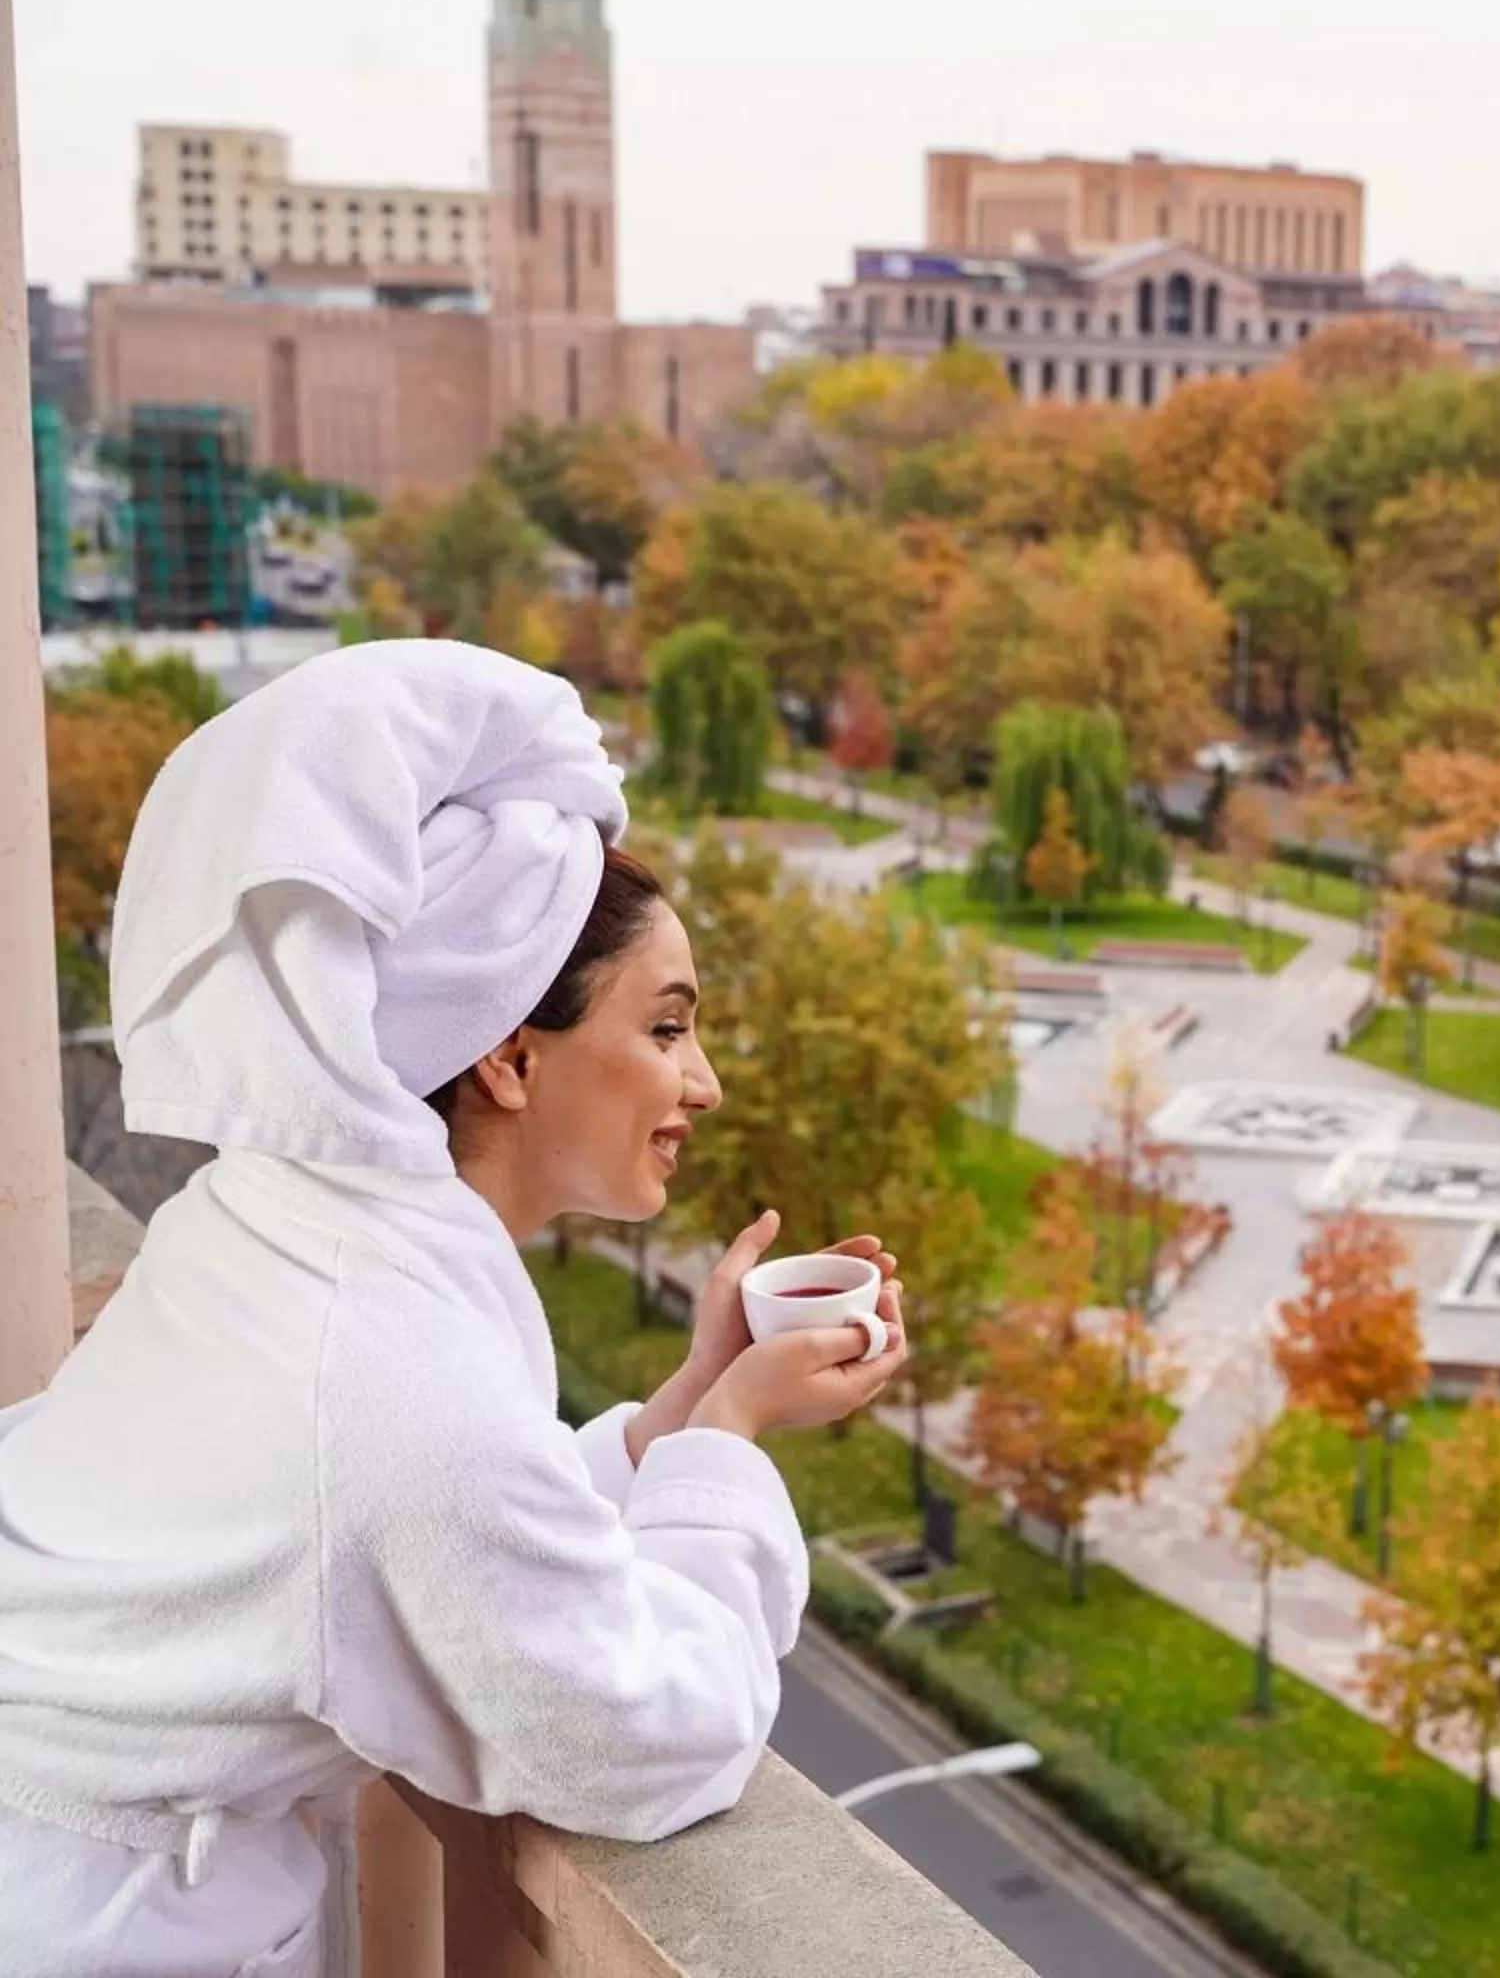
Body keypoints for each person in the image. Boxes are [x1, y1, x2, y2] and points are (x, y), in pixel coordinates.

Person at [0, 641, 908, 1977]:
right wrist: (732, 1440)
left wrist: (686, 1403)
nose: (705, 1082)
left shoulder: (273, 1227)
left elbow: (450, 1529)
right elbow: (654, 1738)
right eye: (667, 1028)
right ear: (508, 1054)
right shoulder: (387, 1367)